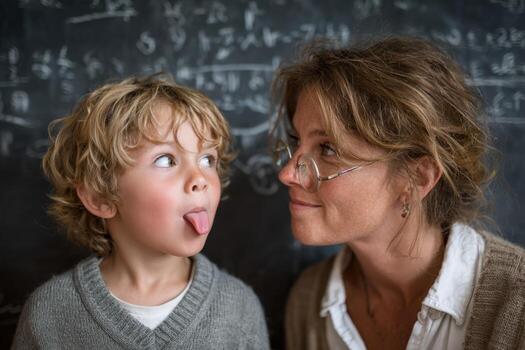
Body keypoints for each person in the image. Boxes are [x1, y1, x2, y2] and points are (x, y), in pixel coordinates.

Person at [271, 37, 525, 350]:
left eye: (328, 148)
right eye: (298, 142)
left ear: (417, 177)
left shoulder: (517, 304)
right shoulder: (308, 302)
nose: (286, 173)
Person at [12, 75, 269, 349]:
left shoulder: (239, 308)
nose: (200, 178)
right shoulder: (49, 314)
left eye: (208, 159)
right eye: (166, 160)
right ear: (99, 197)